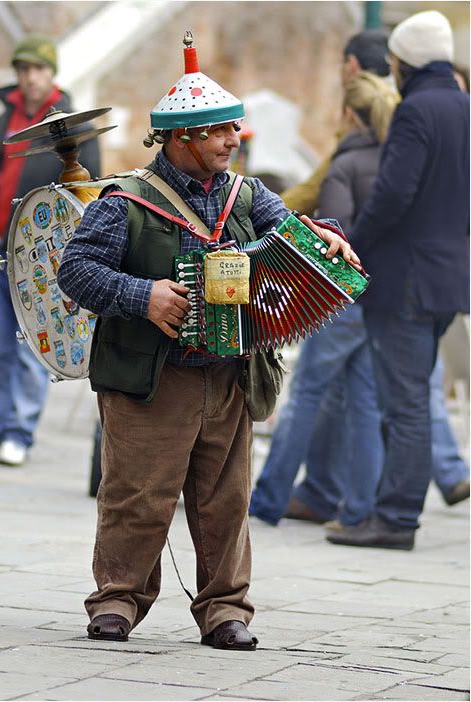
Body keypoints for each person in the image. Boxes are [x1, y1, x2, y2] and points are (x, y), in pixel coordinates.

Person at [56, 33, 360, 649]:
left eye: (234, 129)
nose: (232, 140)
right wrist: (145, 296)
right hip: (151, 375)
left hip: (229, 374)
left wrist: (325, 235)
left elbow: (290, 231)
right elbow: (75, 269)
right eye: (220, 130)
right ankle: (117, 599)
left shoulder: (247, 196)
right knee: (137, 495)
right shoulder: (127, 201)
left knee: (225, 501)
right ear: (181, 138)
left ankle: (225, 610)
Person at [326, 11, 469, 550]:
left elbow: (393, 193)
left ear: (404, 65)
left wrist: (354, 245)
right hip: (448, 278)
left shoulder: (415, 111)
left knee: (404, 403)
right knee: (415, 397)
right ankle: (393, 511)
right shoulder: (464, 106)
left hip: (405, 278)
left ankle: (395, 518)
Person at [249, 72, 398, 528]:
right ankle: (357, 511)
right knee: (366, 403)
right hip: (383, 300)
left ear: (348, 115)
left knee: (305, 397)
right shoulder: (396, 161)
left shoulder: (345, 165)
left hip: (345, 299)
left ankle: (269, 499)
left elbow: (333, 236)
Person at [0, 34, 101, 467]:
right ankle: (2, 426)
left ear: (52, 73)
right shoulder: (4, 116)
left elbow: (87, 189)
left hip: (39, 256)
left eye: (38, 69)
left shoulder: (73, 123)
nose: (30, 78)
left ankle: (20, 432)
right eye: (23, 70)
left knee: (32, 342)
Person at [280, 29, 390, 216]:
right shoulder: (403, 111)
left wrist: (263, 211)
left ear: (352, 65)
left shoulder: (352, 149)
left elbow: (313, 192)